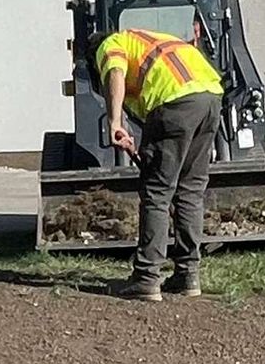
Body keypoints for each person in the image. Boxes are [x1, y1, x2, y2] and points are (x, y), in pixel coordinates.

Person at [95, 21, 224, 301]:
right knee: (190, 191)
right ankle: (188, 275)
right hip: (210, 98)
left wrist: (114, 120)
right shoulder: (153, 42)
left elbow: (116, 73)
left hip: (175, 102)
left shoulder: (110, 44)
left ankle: (147, 278)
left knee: (157, 193)